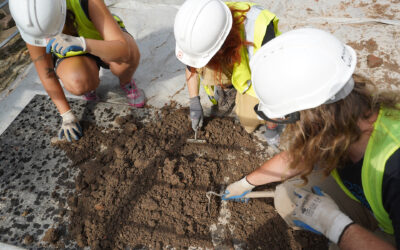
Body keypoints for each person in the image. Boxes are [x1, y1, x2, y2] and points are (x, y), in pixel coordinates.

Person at [222, 28, 399, 249]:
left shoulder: (394, 168)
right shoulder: (341, 120)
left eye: (290, 118)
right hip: (372, 203)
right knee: (287, 198)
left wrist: (337, 226)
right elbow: (296, 158)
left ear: (313, 115)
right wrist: (245, 183)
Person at [9, 0, 145, 142]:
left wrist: (82, 44)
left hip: (101, 43)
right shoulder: (28, 21)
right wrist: (66, 115)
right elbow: (46, 73)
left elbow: (122, 49)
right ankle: (89, 86)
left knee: (125, 59)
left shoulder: (86, 2)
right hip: (72, 55)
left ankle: (126, 82)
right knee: (77, 81)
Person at [174, 0, 282, 146]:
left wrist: (272, 127)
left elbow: (274, 85)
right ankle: (228, 90)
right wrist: (194, 102)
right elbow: (191, 66)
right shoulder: (198, 28)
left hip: (256, 74)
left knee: (248, 121)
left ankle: (239, 92)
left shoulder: (259, 29)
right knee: (208, 67)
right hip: (228, 52)